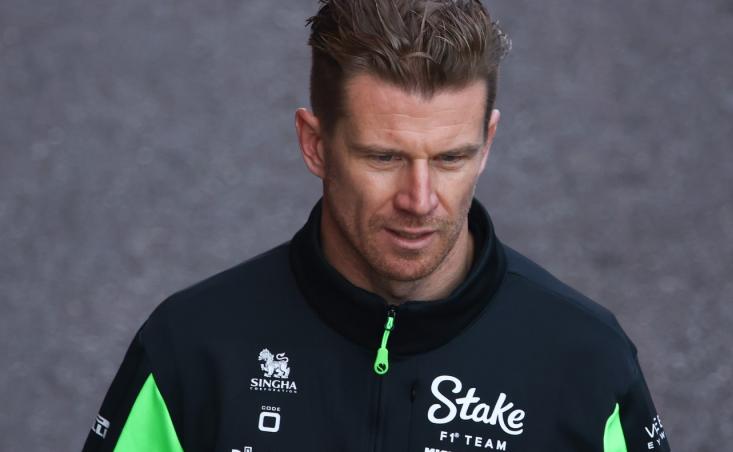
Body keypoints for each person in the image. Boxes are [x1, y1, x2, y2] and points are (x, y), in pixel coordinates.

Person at [83, 1, 670, 451]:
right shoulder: (191, 348)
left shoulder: (587, 361)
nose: (420, 200)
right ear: (315, 144)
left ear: (487, 143)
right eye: (384, 158)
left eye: (451, 158)